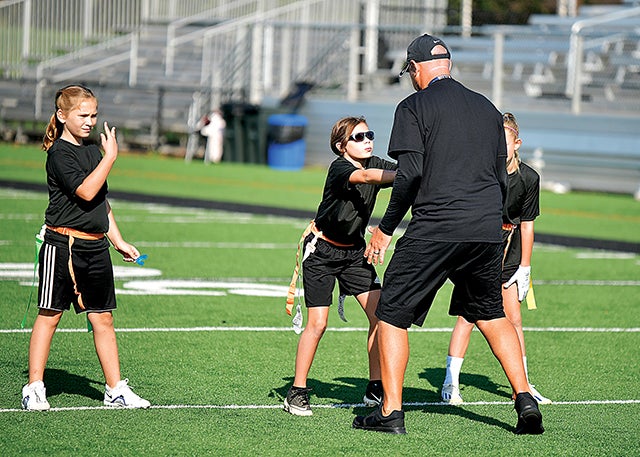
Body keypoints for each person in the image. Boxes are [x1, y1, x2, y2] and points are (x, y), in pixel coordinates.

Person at [351, 34, 544, 435]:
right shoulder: (488, 109)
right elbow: (500, 174)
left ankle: (390, 412)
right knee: (492, 314)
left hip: (436, 226)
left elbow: (410, 175)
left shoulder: (413, 106)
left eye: (410, 72)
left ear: (419, 68)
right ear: (448, 65)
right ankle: (524, 398)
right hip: (486, 227)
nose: (411, 79)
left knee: (391, 314)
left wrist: (385, 230)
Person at [21, 85, 150, 411]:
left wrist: (118, 240)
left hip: (94, 249)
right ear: (62, 115)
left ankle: (114, 389)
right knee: (50, 315)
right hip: (62, 245)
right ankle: (34, 386)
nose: (90, 121)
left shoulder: (94, 150)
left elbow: (101, 204)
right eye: (83, 115)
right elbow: (85, 191)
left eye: (94, 114)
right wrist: (110, 157)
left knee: (103, 319)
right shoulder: (60, 154)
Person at [283, 116, 397, 416]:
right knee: (318, 324)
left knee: (381, 315)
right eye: (358, 137)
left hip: (354, 255)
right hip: (322, 252)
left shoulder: (376, 163)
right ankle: (296, 391)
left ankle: (375, 387)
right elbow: (370, 178)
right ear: (341, 146)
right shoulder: (341, 168)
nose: (367, 140)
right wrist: (409, 174)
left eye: (369, 134)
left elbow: (398, 172)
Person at [441, 112, 551, 406]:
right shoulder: (482, 172)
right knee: (468, 317)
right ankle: (450, 381)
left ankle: (522, 386)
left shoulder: (529, 178)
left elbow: (527, 224)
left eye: (505, 143)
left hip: (509, 250)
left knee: (514, 318)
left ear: (517, 143)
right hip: (476, 249)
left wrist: (525, 266)